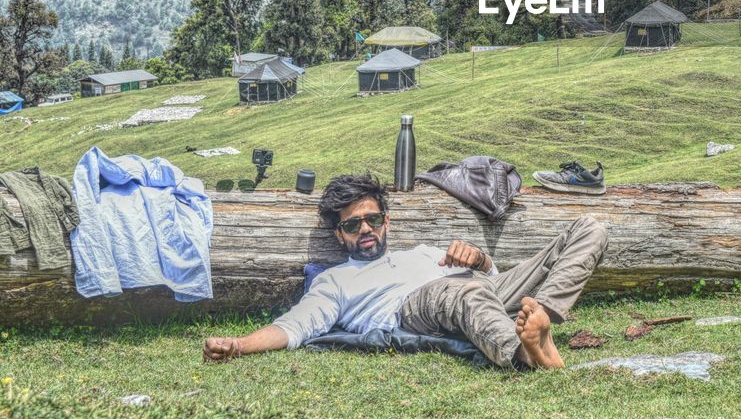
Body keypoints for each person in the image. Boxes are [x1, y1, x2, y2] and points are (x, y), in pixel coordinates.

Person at [202, 173, 607, 369]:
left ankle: (545, 322)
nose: (365, 229)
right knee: (458, 292)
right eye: (351, 224)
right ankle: (525, 354)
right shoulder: (333, 281)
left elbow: (488, 284)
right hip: (416, 309)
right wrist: (238, 344)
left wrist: (480, 260)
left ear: (387, 222)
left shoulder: (423, 251)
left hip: (480, 290)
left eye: (372, 220)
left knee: (589, 228)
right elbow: (293, 327)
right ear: (338, 234)